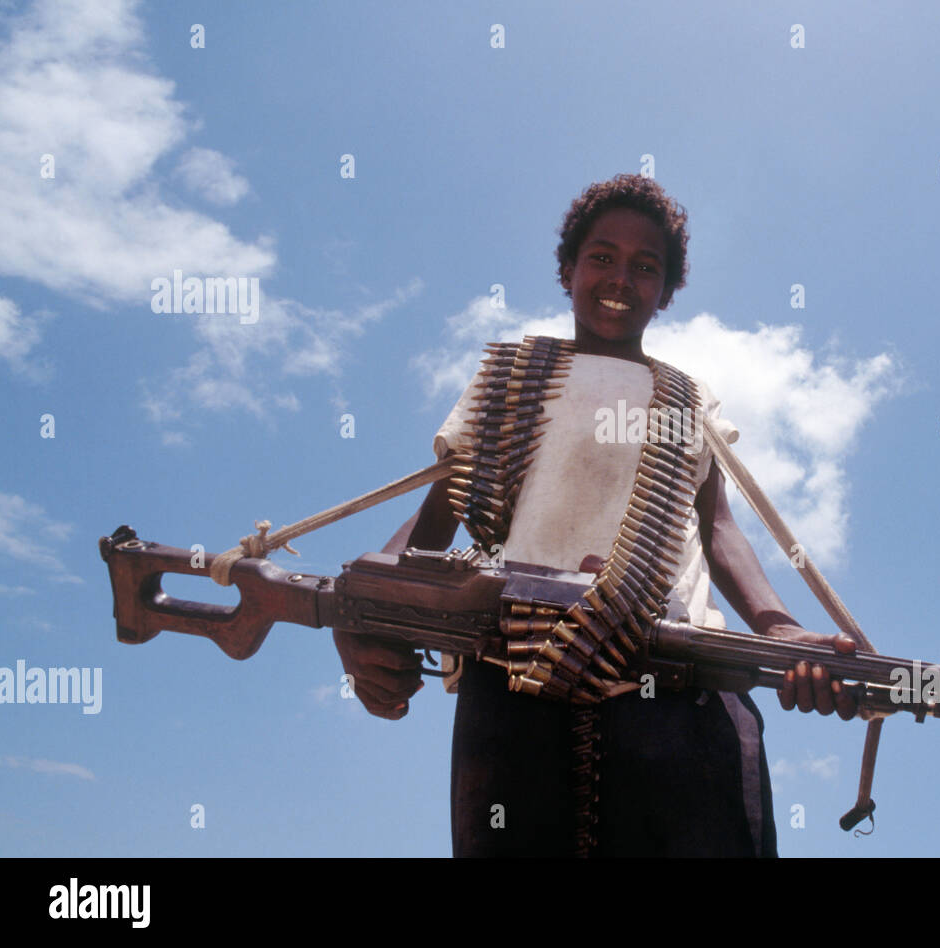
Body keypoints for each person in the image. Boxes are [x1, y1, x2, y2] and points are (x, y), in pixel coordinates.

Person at [333, 174, 859, 856]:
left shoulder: (684, 397)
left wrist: (779, 628)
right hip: (516, 673)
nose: (621, 277)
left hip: (678, 678)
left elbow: (717, 527)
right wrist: (363, 612)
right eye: (601, 256)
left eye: (647, 267)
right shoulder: (512, 375)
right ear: (567, 270)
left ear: (666, 292)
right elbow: (442, 512)